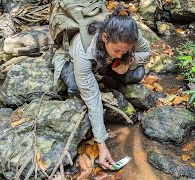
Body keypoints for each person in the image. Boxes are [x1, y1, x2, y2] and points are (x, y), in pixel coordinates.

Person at [52, 9, 151, 170]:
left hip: (104, 59)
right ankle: (103, 77)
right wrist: (101, 144)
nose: (120, 55)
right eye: (117, 50)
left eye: (125, 51)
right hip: (75, 59)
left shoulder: (130, 32)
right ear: (105, 37)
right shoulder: (83, 49)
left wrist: (128, 61)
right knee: (75, 87)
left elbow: (147, 52)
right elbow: (92, 98)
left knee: (137, 72)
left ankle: (109, 78)